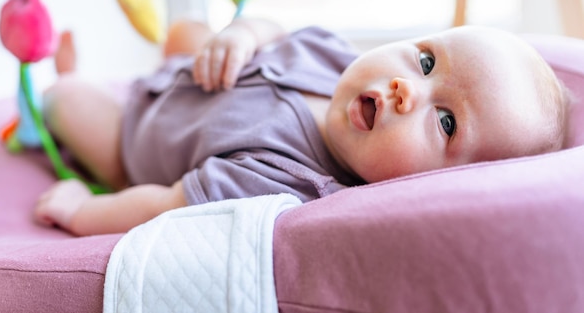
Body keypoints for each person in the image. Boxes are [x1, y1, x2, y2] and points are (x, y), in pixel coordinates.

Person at [34, 18, 569, 236]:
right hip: (194, 77)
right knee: (192, 31)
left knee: (66, 101)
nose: (409, 87)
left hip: (135, 133)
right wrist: (241, 33)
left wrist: (82, 211)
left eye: (446, 121)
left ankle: (72, 78)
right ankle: (170, 54)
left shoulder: (287, 178)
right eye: (427, 61)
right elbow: (273, 26)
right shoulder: (328, 53)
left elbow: (163, 204)